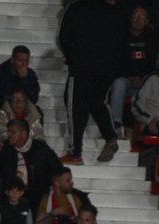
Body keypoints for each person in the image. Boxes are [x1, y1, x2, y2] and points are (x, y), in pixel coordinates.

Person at [59, 0, 128, 162]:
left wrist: (70, 57)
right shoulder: (114, 12)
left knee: (75, 106)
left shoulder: (76, 7)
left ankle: (75, 152)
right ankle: (111, 136)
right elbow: (122, 41)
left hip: (81, 67)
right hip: (106, 70)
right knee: (98, 102)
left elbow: (62, 37)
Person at [0, 119, 61, 210]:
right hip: (11, 199)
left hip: (37, 199)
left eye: (13, 132)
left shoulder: (41, 149)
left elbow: (57, 168)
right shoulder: (4, 149)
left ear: (23, 134)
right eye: (8, 132)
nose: (9, 135)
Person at [0, 47, 41, 122]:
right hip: (1, 109)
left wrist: (25, 79)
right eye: (20, 60)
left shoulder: (30, 74)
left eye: (26, 61)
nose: (23, 65)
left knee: (37, 112)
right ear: (12, 60)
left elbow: (34, 99)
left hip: (22, 110)